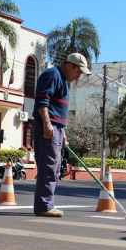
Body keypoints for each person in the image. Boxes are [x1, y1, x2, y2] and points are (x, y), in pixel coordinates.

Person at [32, 53, 90, 217]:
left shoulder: (64, 81)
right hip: (48, 127)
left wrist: (62, 133)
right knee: (49, 166)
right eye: (79, 72)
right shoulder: (52, 75)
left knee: (55, 167)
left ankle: (47, 203)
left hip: (56, 128)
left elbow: (59, 112)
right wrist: (47, 123)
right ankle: (44, 206)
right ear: (70, 66)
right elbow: (42, 102)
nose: (79, 76)